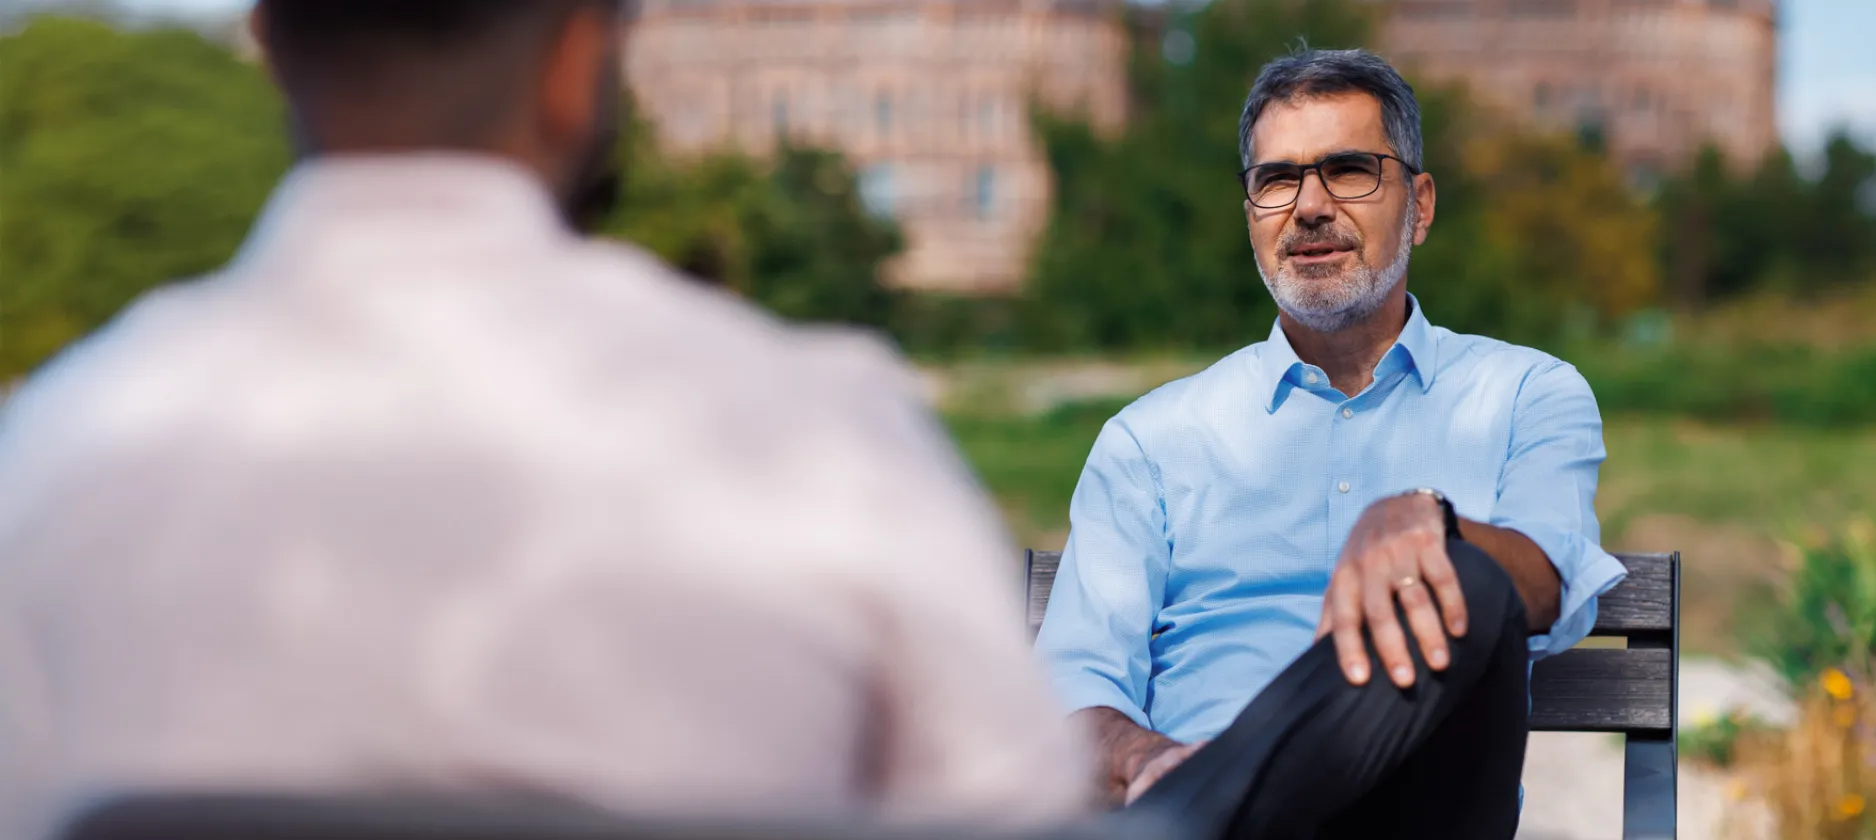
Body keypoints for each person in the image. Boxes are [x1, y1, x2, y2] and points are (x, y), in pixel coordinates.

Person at [0, 2, 1083, 837]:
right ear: (576, 61)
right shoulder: (827, 432)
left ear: (270, 43)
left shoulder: (48, 456)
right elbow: (1019, 814)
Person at [1034, 49, 1627, 839]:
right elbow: (1075, 693)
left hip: (1422, 811)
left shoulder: (1527, 394)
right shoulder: (1149, 443)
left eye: (1349, 170)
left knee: (1461, 576)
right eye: (1277, 179)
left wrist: (1428, 521)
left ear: (1419, 205)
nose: (1309, 206)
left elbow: (1548, 583)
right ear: (1250, 214)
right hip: (1191, 790)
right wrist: (1144, 761)